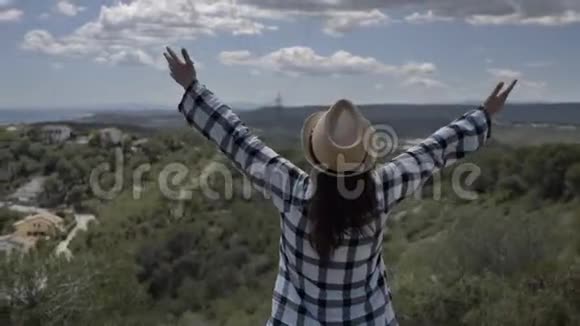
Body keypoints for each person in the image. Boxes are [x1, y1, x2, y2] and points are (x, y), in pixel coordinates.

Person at [163, 47, 517, 326]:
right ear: (365, 158)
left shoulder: (291, 191)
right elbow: (432, 152)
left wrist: (192, 87)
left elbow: (238, 141)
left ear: (314, 153)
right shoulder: (381, 192)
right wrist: (484, 115)